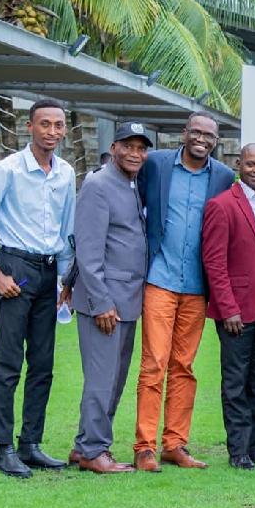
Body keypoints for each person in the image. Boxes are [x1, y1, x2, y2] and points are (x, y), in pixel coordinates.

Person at [0, 99, 75, 477]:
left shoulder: (66, 174)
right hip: (16, 268)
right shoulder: (6, 170)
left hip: (48, 274)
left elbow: (66, 233)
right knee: (9, 362)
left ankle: (30, 445)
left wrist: (66, 281)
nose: (52, 131)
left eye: (59, 125)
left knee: (43, 364)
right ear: (30, 127)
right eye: (44, 124)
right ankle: (3, 449)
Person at [135, 113, 233, 471]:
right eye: (196, 132)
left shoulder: (222, 176)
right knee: (153, 364)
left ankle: (174, 443)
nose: (202, 140)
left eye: (209, 135)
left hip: (196, 285)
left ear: (216, 139)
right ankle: (144, 446)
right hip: (159, 279)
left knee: (184, 366)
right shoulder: (157, 164)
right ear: (184, 133)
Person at [68, 123, 152, 473]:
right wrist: (101, 302)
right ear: (114, 147)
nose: (135, 154)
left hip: (128, 300)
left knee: (114, 379)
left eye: (141, 148)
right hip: (105, 304)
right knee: (102, 380)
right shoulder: (99, 185)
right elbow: (87, 252)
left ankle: (86, 445)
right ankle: (92, 450)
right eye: (128, 146)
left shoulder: (130, 184)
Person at [202, 144, 255, 470]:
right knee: (236, 380)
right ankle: (237, 451)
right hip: (236, 309)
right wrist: (227, 307)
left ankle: (254, 446)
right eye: (251, 164)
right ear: (239, 165)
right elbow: (214, 262)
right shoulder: (221, 206)